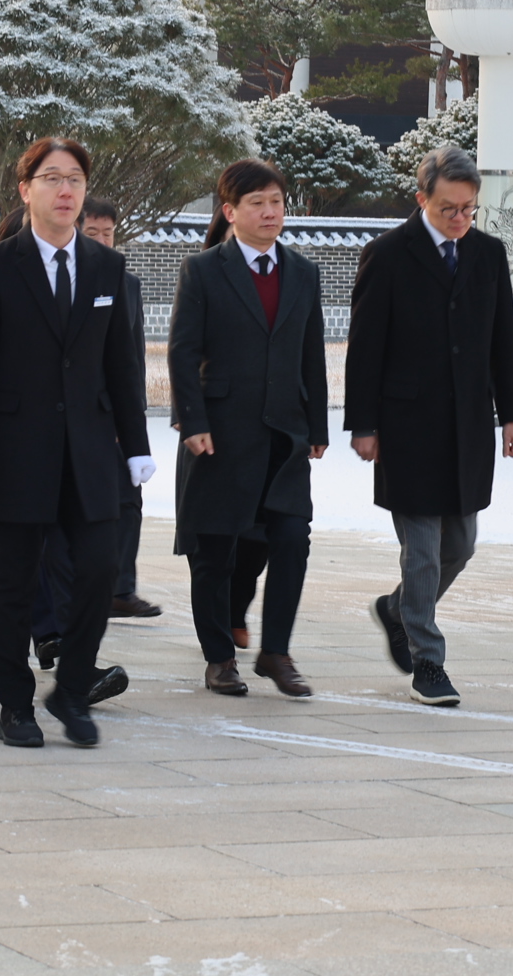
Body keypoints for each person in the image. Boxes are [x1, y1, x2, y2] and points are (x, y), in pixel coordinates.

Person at [0, 137, 152, 750]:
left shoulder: (105, 267)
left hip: (89, 451)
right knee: (12, 581)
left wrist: (136, 443)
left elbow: (122, 367)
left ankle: (69, 687)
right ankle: (15, 704)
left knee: (98, 572)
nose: (66, 191)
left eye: (75, 180)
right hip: (16, 450)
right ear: (26, 190)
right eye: (52, 179)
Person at [345, 143, 513, 709]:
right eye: (449, 208)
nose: (460, 219)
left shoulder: (488, 255)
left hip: (467, 423)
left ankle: (399, 609)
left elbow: (502, 341)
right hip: (407, 424)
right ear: (422, 198)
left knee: (461, 545)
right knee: (421, 549)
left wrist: (512, 413)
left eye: (469, 209)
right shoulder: (388, 254)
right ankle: (428, 659)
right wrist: (363, 424)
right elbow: (365, 348)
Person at [167, 160, 328, 698]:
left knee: (291, 541)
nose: (269, 212)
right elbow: (183, 351)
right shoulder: (204, 270)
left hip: (284, 437)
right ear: (230, 211)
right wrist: (191, 420)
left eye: (277, 201)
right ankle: (219, 659)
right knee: (213, 550)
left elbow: (311, 356)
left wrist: (318, 427)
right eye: (257, 202)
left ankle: (275, 652)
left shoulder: (303, 273)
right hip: (219, 434)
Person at [76, 198, 160, 622]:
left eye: (109, 233)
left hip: (118, 416)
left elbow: (133, 358)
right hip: (78, 416)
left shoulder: (127, 283)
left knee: (129, 501)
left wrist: (133, 419)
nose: (104, 241)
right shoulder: (68, 279)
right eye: (94, 234)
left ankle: (121, 588)